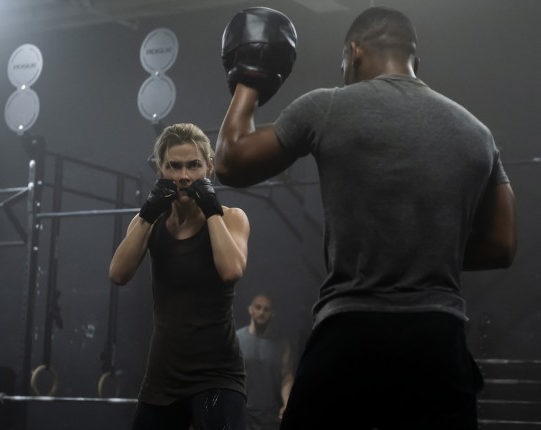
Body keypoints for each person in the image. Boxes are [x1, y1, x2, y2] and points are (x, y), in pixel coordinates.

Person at [215, 6, 517, 430]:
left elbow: (230, 162)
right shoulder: (478, 133)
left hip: (352, 333)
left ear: (354, 52)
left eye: (344, 63)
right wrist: (424, 249)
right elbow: (502, 245)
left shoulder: (327, 107)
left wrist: (251, 76)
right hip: (438, 340)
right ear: (415, 61)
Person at [109, 123, 250, 430]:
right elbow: (118, 274)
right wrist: (147, 214)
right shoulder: (148, 222)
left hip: (217, 374)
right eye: (174, 166)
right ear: (160, 170)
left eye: (193, 165)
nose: (184, 176)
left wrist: (211, 210)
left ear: (209, 167)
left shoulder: (231, 217)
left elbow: (231, 271)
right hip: (163, 376)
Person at [236, 293, 294, 430]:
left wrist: (287, 403)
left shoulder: (282, 344)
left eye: (266, 309)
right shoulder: (236, 339)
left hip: (271, 415)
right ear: (250, 309)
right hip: (243, 413)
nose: (262, 312)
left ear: (272, 314)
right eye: (258, 307)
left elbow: (287, 377)